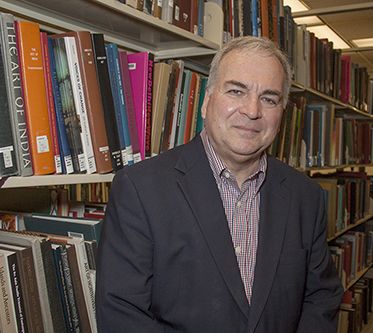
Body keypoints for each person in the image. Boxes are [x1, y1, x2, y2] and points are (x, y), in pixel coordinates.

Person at [96, 36, 343, 333]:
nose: (252, 110)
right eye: (236, 91)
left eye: (269, 98)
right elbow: (122, 314)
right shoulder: (140, 189)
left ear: (282, 113)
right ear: (206, 101)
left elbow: (321, 298)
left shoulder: (307, 197)